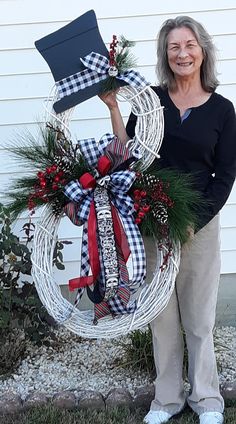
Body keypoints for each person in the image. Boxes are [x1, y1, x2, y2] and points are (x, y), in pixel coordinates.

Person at [99, 15, 236, 424]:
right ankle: (167, 400)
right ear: (166, 55)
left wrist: (195, 219)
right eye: (174, 47)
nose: (182, 53)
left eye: (189, 45)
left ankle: (207, 399)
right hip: (153, 224)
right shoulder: (152, 101)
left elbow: (225, 174)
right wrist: (114, 107)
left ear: (202, 50)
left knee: (198, 318)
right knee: (161, 318)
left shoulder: (222, 110)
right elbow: (129, 152)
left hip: (198, 225)